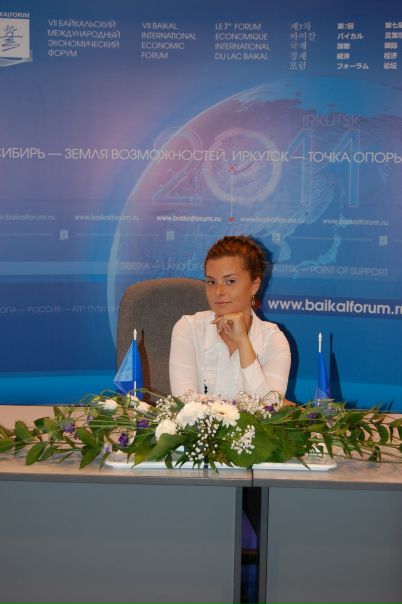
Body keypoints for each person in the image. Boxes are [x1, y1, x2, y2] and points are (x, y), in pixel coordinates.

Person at [169, 235, 291, 402]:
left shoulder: (273, 340)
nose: (218, 291)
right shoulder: (188, 328)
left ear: (254, 285)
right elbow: (184, 403)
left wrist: (243, 342)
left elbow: (270, 407)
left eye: (230, 281)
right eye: (211, 282)